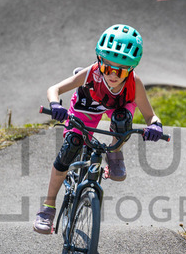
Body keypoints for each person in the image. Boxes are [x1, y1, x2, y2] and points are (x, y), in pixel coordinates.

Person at [34, 24, 164, 234]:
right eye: (107, 67)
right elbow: (54, 89)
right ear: (99, 61)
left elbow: (151, 116)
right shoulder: (91, 73)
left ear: (131, 69)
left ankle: (115, 154)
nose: (112, 75)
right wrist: (55, 104)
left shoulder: (134, 83)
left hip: (118, 107)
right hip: (87, 106)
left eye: (120, 70)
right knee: (71, 146)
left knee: (122, 120)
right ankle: (48, 208)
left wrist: (156, 125)